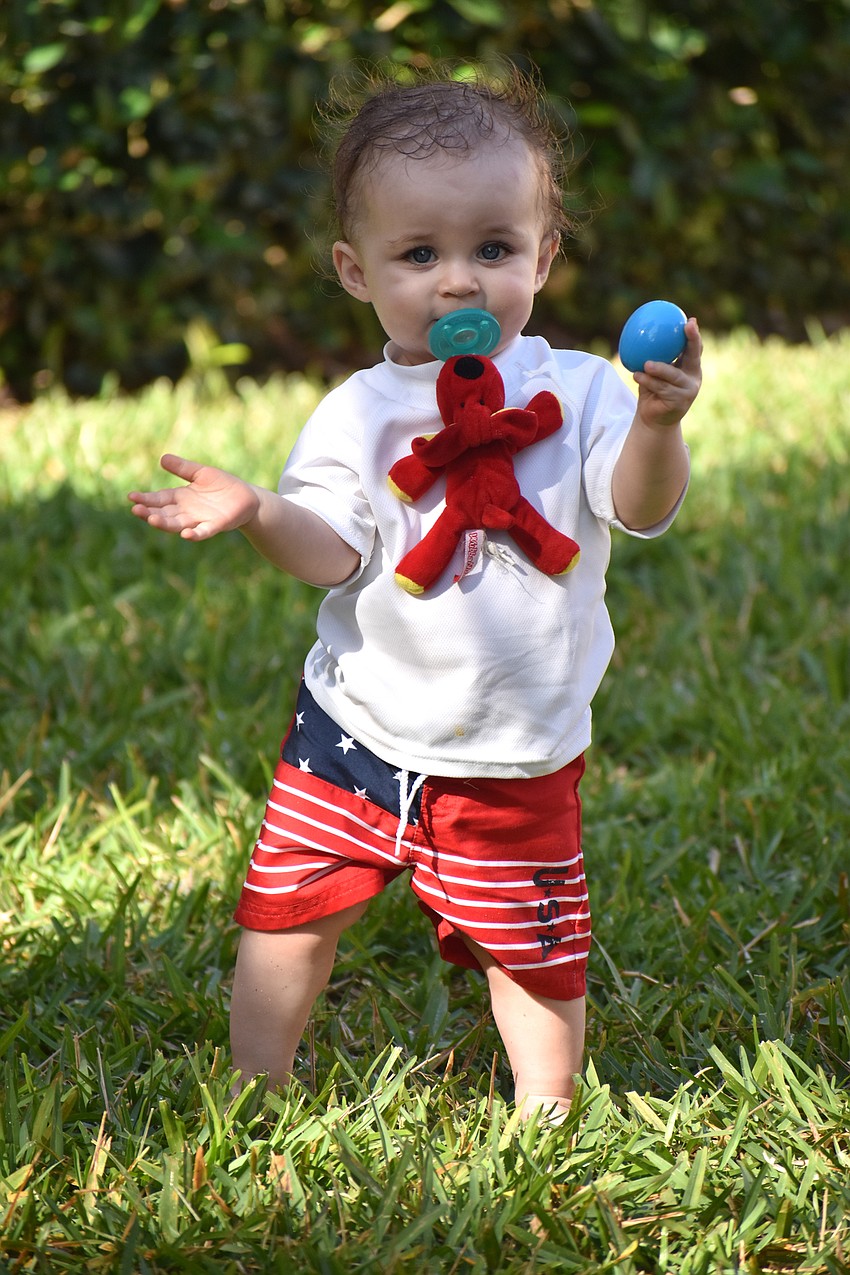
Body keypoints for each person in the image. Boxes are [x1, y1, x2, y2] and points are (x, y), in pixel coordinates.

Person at [129, 68, 702, 1122]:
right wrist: (260, 510)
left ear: (544, 254)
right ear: (356, 271)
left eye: (493, 248)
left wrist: (656, 427)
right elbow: (333, 552)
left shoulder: (574, 393)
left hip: (512, 743)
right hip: (355, 727)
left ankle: (548, 1110)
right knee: (286, 916)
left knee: (532, 949)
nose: (458, 284)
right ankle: (253, 1094)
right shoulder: (357, 417)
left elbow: (637, 507)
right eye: (418, 254)